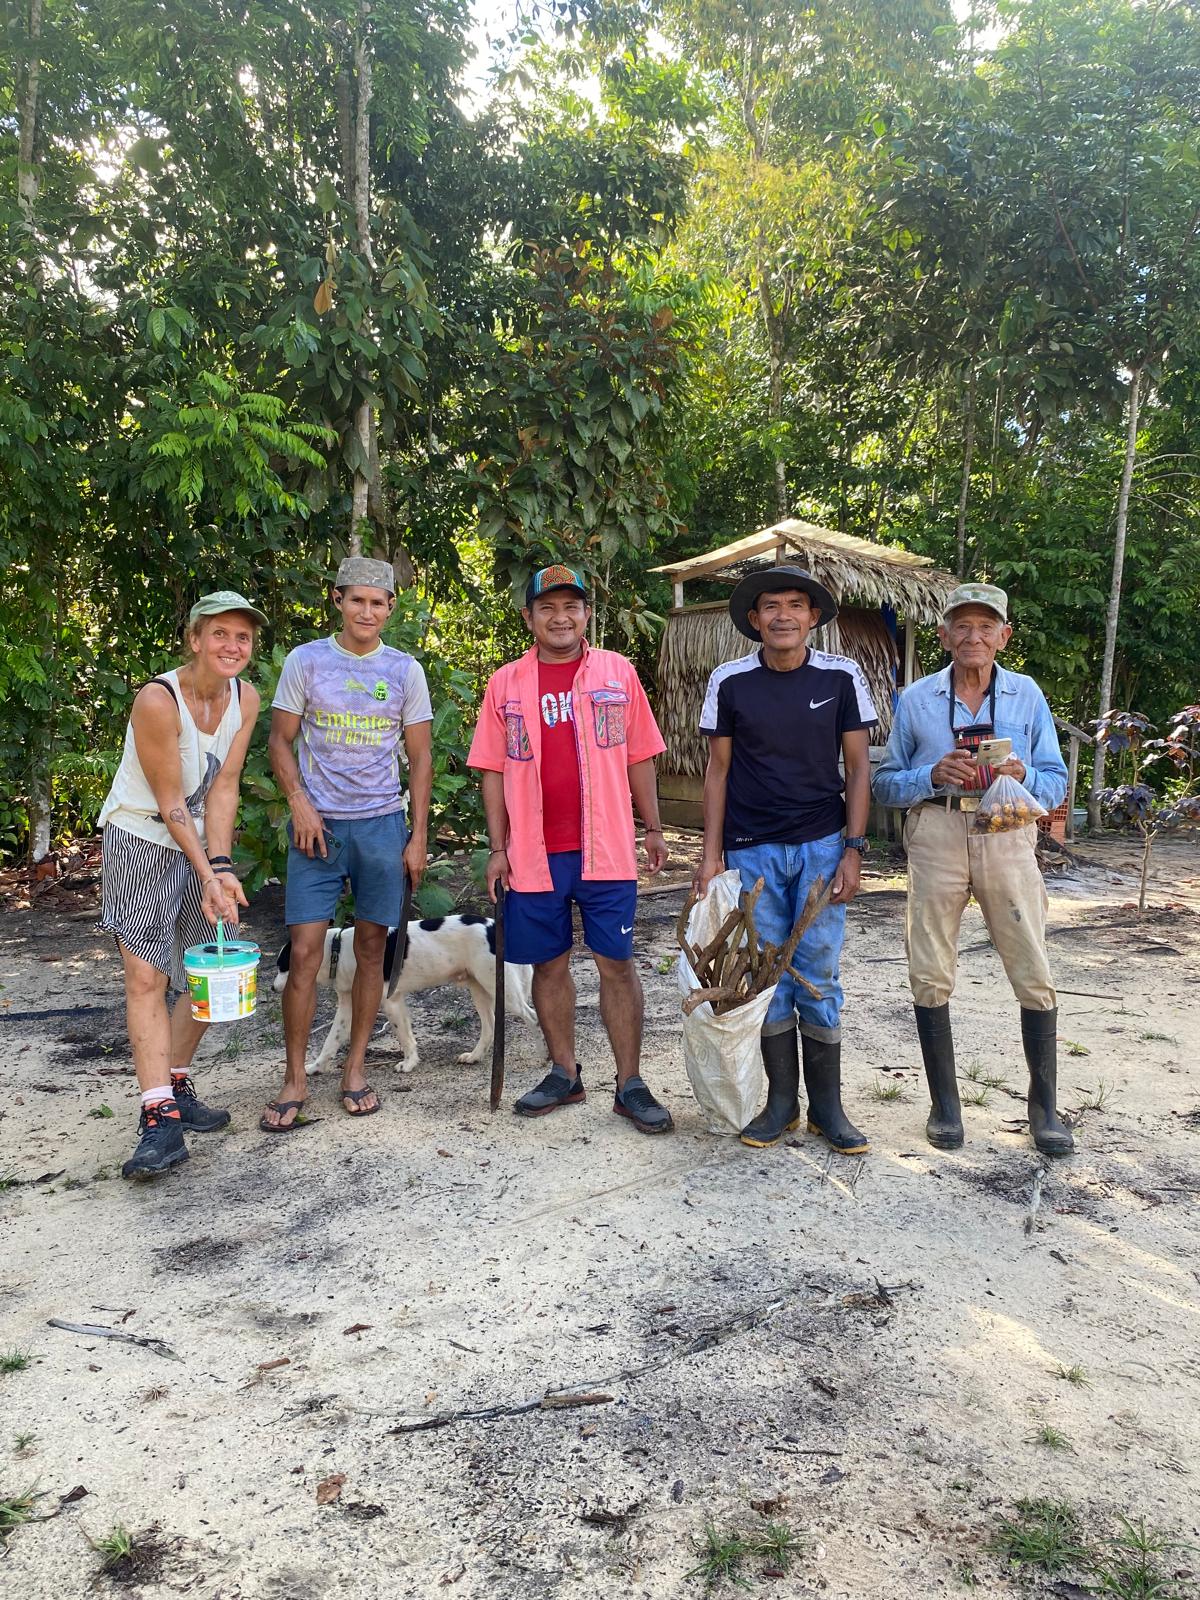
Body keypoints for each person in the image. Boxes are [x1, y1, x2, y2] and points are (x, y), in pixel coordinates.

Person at [468, 564, 673, 1133]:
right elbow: (491, 769)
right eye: (548, 608)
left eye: (572, 607)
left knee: (617, 962)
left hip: (605, 848)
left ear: (586, 614)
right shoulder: (504, 683)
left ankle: (629, 1084)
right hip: (534, 853)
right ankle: (564, 1073)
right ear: (529, 616)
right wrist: (497, 846)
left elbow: (640, 755)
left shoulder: (617, 672)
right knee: (548, 963)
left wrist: (653, 828)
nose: (561, 618)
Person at [872, 582, 1072, 1155]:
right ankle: (944, 1105)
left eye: (986, 627)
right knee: (930, 965)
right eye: (962, 626)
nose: (974, 637)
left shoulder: (1027, 695)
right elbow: (886, 783)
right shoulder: (916, 700)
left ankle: (1045, 1110)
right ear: (944, 636)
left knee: (1031, 960)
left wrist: (1021, 775)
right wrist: (932, 775)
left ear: (1004, 636)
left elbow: (1056, 778)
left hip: (1008, 834)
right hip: (937, 832)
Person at [693, 566, 877, 1154]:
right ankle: (780, 1103)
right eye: (770, 606)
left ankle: (829, 1107)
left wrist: (853, 849)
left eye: (795, 605)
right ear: (754, 619)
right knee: (764, 974)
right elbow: (717, 772)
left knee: (819, 972)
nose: (782, 616)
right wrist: (711, 854)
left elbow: (858, 768)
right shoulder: (730, 681)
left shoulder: (842, 677)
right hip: (754, 851)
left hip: (824, 846)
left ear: (813, 617)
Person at [98, 591, 265, 1179]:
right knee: (148, 974)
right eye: (220, 634)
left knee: (205, 967)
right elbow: (170, 803)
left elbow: (224, 787)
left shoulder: (246, 698)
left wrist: (219, 870)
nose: (232, 646)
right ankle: (156, 1119)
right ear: (194, 639)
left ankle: (173, 1085)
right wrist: (207, 873)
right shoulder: (158, 700)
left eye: (242, 637)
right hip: (141, 837)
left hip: (196, 843)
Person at [264, 557, 433, 1128]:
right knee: (306, 951)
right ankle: (294, 1077)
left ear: (390, 608)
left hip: (382, 827)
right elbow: (280, 741)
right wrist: (299, 803)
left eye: (378, 602)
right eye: (357, 600)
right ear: (337, 600)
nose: (367, 611)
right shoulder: (306, 661)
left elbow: (421, 756)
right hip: (317, 830)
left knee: (369, 949)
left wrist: (417, 837)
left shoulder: (405, 670)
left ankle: (355, 1067)